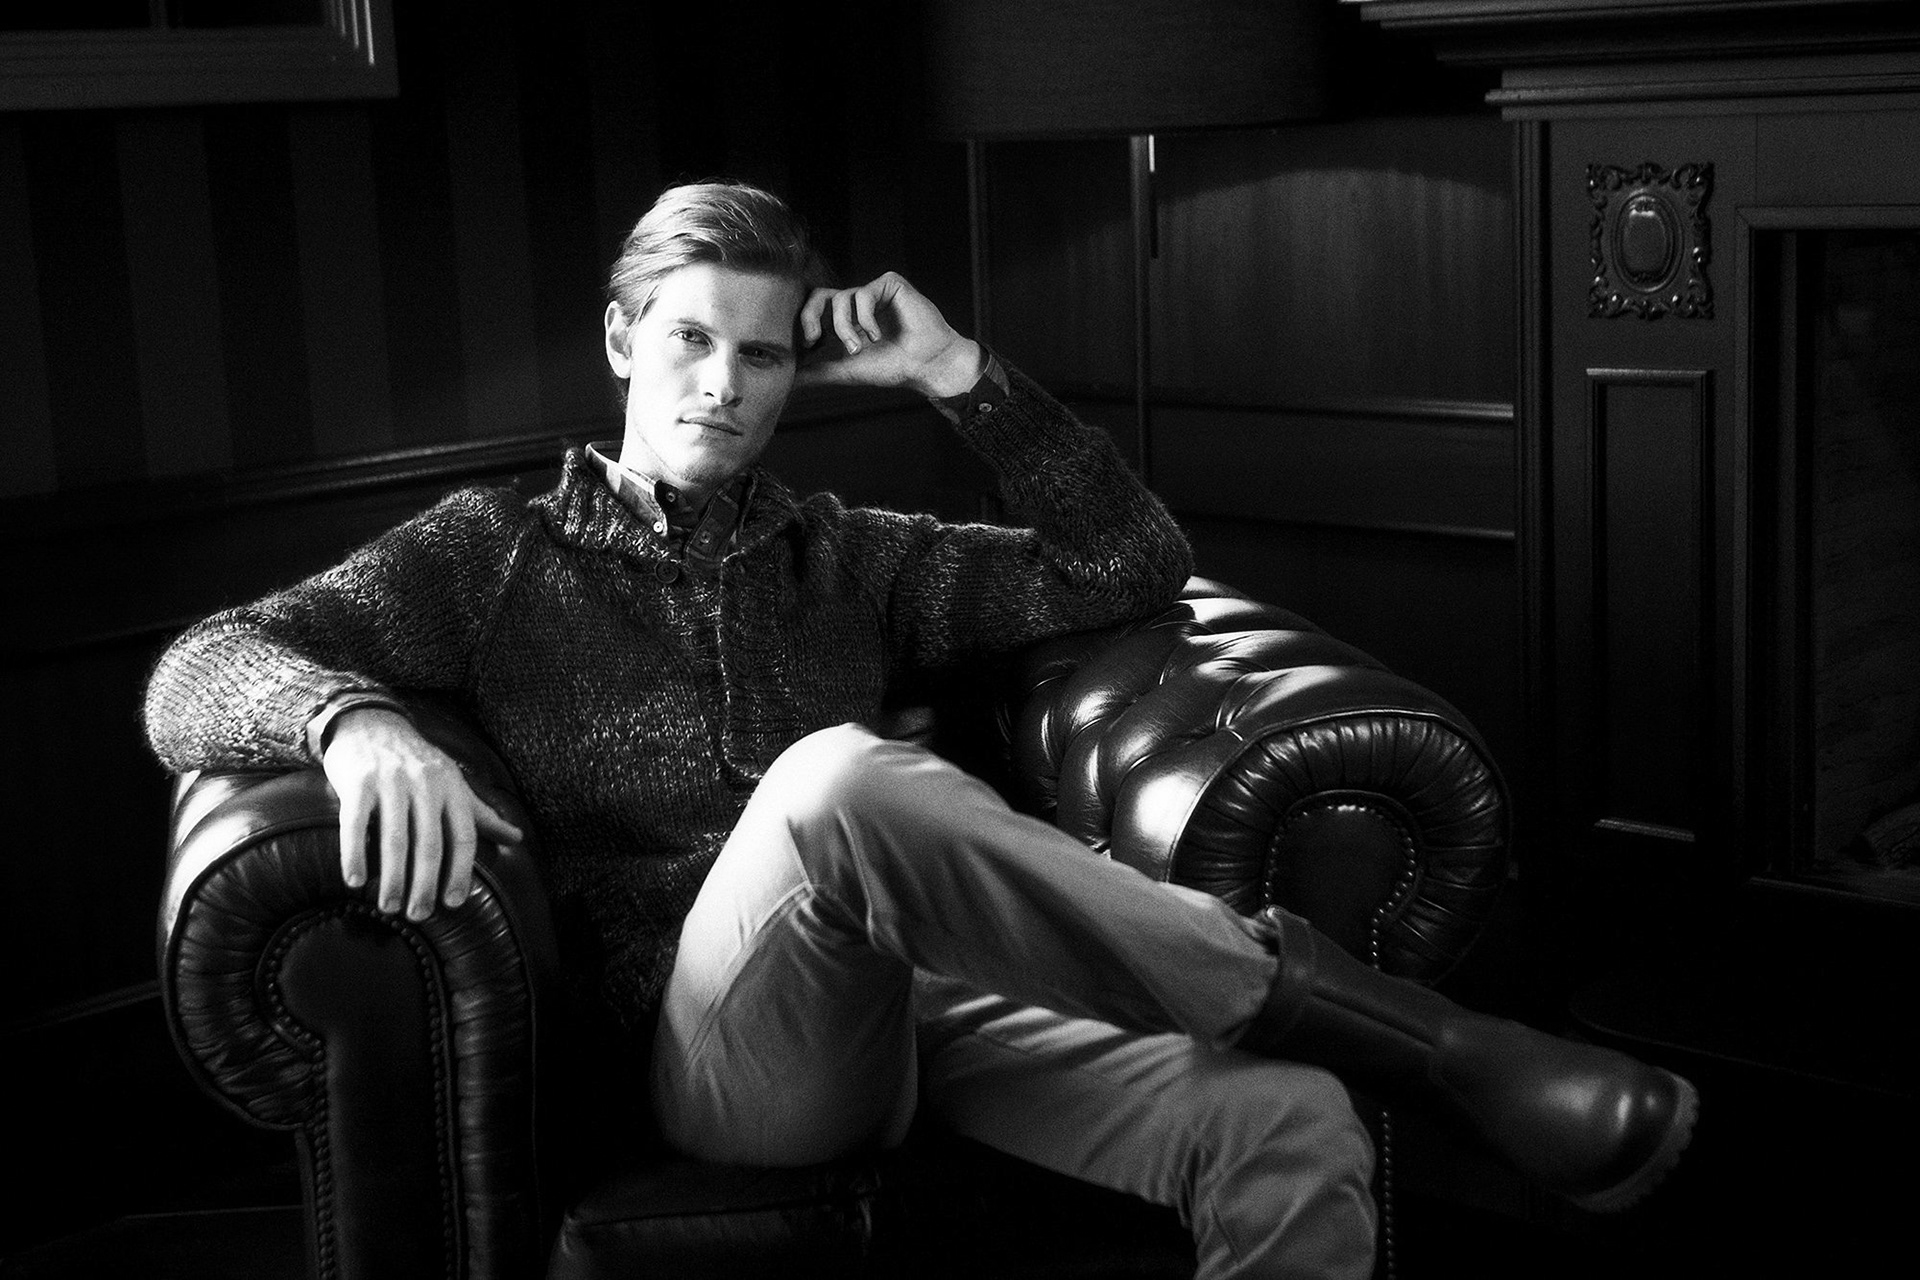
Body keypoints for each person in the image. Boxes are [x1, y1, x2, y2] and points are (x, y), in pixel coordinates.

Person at [144, 180, 1695, 1279]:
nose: (725, 384)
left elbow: (1128, 565)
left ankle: (1349, 1054)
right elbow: (200, 668)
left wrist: (960, 375)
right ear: (621, 341)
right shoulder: (493, 555)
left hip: (930, 1009)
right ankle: (1430, 1042)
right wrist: (353, 722)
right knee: (834, 782)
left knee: (1288, 1126)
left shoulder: (849, 555)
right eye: (690, 340)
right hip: (720, 1058)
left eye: (762, 354)